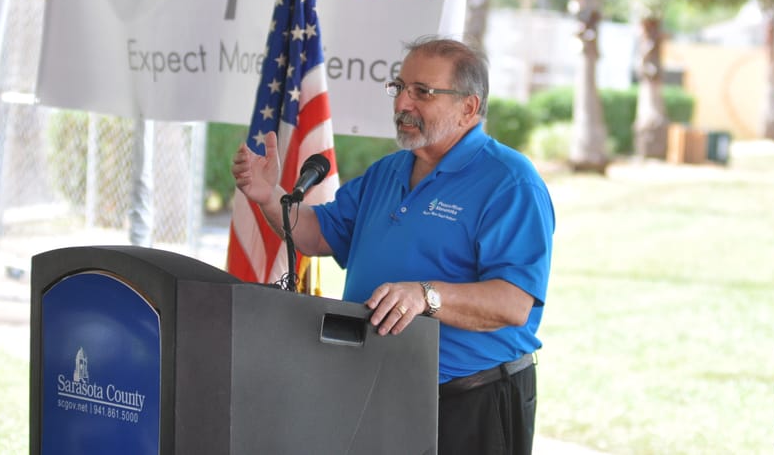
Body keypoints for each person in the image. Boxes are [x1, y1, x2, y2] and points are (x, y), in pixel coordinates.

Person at [232, 36, 555, 455]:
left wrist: (425, 296)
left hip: (469, 401)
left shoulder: (509, 181)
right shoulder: (388, 171)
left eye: (423, 92)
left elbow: (513, 303)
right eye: (399, 87)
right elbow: (315, 233)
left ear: (469, 108)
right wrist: (268, 196)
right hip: (375, 388)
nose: (403, 102)